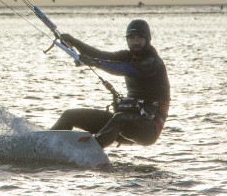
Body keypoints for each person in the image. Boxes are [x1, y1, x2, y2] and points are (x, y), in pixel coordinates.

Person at [51, 19, 170, 148]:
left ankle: (88, 151)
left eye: (140, 38)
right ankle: (46, 144)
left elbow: (126, 69)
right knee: (70, 115)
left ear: (148, 39)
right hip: (124, 122)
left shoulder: (153, 62)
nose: (135, 42)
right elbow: (99, 54)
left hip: (147, 129)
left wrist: (95, 62)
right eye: (131, 38)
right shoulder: (127, 56)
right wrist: (73, 41)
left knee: (120, 119)